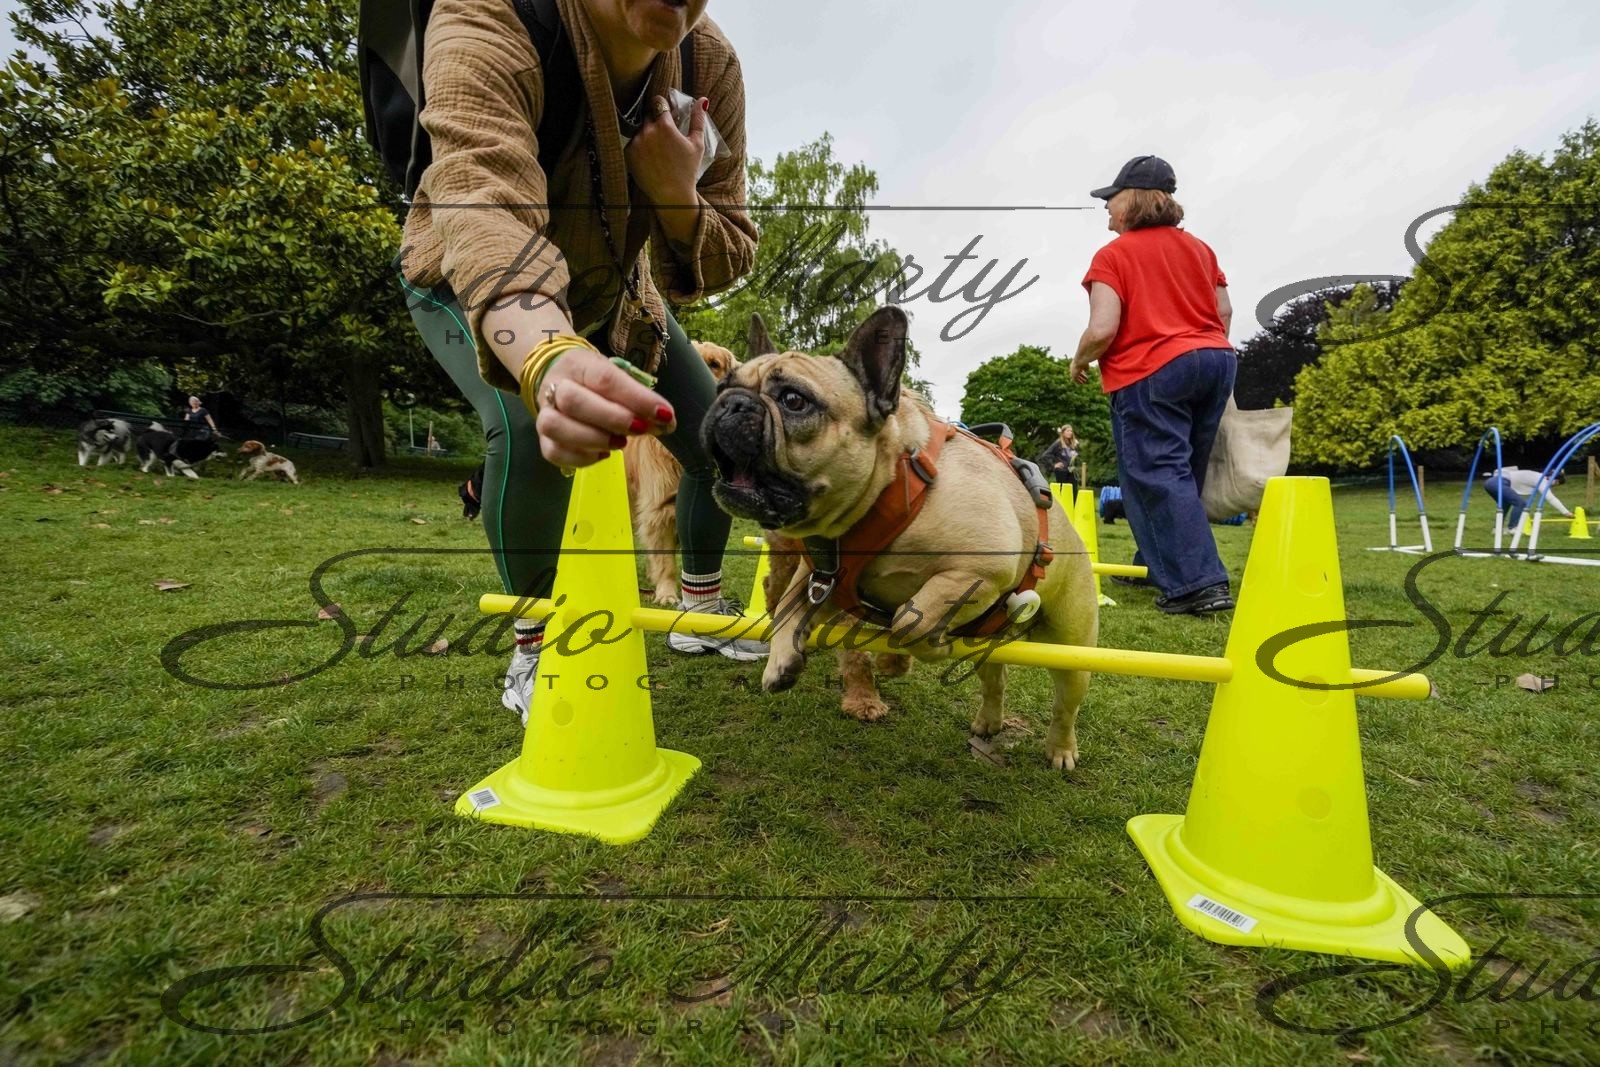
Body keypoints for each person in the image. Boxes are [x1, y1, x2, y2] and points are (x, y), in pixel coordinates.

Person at [397, 0, 765, 725]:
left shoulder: (709, 64)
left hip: (623, 298)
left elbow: (732, 249)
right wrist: (548, 356)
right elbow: (483, 204)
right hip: (465, 278)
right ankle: (537, 645)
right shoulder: (486, 15)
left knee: (719, 444)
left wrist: (676, 194)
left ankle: (698, 609)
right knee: (525, 423)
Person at [1071, 155, 1236, 615]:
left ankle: (1199, 585)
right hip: (1216, 359)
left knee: (1156, 472)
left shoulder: (1114, 255)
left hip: (1151, 369)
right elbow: (1223, 312)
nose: (1106, 209)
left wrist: (1080, 359)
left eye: (1111, 200)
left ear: (1132, 202)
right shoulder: (1200, 249)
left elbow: (1103, 327)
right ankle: (1156, 565)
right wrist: (1200, 346)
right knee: (1183, 470)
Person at [1483, 466, 1572, 530]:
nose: (1553, 487)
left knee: (1505, 504)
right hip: (1499, 482)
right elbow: (1550, 498)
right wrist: (1566, 512)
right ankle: (1513, 528)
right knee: (1520, 503)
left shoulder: (1537, 475)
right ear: (1555, 480)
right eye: (1556, 484)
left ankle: (1497, 529)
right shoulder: (1542, 480)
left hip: (1490, 483)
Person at [1036, 424, 1080, 493]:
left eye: (1071, 431)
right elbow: (1045, 455)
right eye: (1068, 431)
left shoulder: (1073, 444)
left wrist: (1076, 446)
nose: (1070, 433)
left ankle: (1071, 504)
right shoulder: (1058, 443)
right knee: (1063, 491)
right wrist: (1053, 465)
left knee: (1074, 491)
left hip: (1071, 471)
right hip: (1062, 471)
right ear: (1063, 432)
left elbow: (1075, 457)